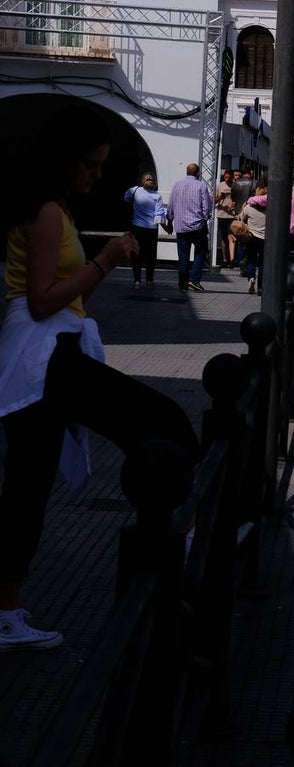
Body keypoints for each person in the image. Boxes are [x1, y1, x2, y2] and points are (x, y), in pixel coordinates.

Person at [0, 102, 200, 651]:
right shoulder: (45, 212)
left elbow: (71, 297)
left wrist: (100, 265)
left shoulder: (55, 208)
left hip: (51, 352)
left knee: (28, 486)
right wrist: (107, 259)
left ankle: (6, 610)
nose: (94, 174)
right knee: (159, 421)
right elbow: (41, 301)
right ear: (63, 159)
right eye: (88, 164)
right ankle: (179, 536)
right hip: (43, 356)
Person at [165, 162, 213, 292]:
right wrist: (206, 217)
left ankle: (182, 283)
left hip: (181, 226)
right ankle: (194, 280)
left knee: (183, 256)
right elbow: (206, 207)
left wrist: (170, 221)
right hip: (197, 225)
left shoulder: (176, 185)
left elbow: (170, 205)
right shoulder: (201, 185)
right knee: (201, 252)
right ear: (198, 173)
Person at [123, 171, 165, 289]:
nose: (149, 181)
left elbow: (126, 198)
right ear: (142, 181)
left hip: (145, 227)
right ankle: (142, 280)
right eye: (147, 179)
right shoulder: (137, 191)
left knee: (145, 255)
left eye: (151, 179)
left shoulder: (153, 195)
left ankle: (144, 280)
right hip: (144, 228)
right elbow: (159, 213)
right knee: (143, 255)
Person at [239, 184, 267, 295]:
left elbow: (241, 218)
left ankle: (251, 278)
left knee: (251, 260)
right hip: (265, 239)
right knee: (262, 264)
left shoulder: (249, 208)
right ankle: (261, 288)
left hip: (252, 237)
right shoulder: (270, 209)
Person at [214, 169, 236, 269]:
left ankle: (232, 259)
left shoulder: (235, 185)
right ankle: (224, 259)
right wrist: (220, 197)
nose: (227, 179)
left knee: (231, 237)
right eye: (225, 177)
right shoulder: (219, 186)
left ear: (232, 177)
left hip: (232, 215)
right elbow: (214, 201)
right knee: (223, 238)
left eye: (229, 177)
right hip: (222, 214)